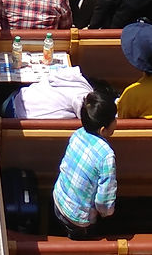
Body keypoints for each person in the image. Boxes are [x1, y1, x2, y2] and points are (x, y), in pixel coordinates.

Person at [51, 87, 118, 240]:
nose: (116, 121)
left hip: (59, 199)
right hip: (78, 219)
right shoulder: (106, 155)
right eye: (114, 119)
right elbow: (104, 201)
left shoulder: (78, 134)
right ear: (103, 130)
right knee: (85, 239)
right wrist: (106, 213)